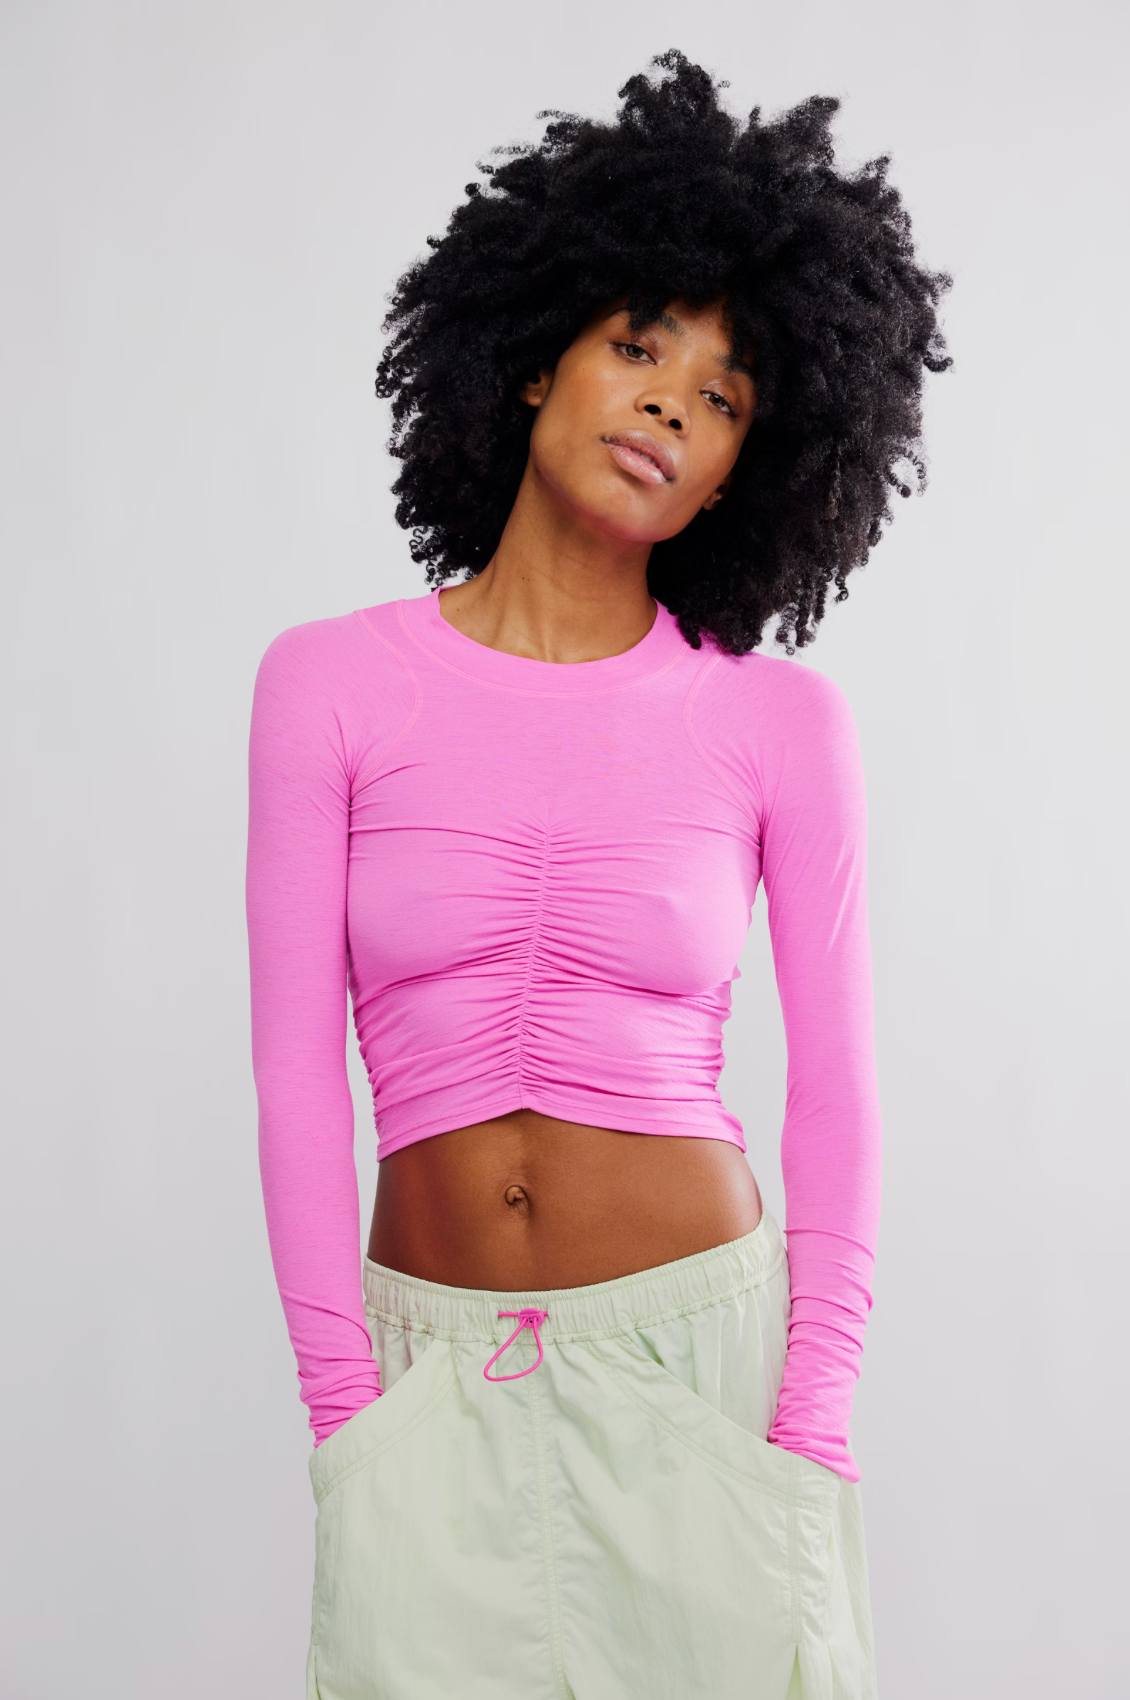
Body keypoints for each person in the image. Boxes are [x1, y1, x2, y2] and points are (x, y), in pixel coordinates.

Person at [246, 50, 949, 1700]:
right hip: (427, 1388)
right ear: (528, 357)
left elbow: (837, 1095)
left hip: (702, 1381)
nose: (671, 403)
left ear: (744, 472)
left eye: (724, 397)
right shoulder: (324, 682)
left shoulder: (775, 723)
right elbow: (292, 1073)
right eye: (639, 345)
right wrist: (346, 1417)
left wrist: (808, 1430)